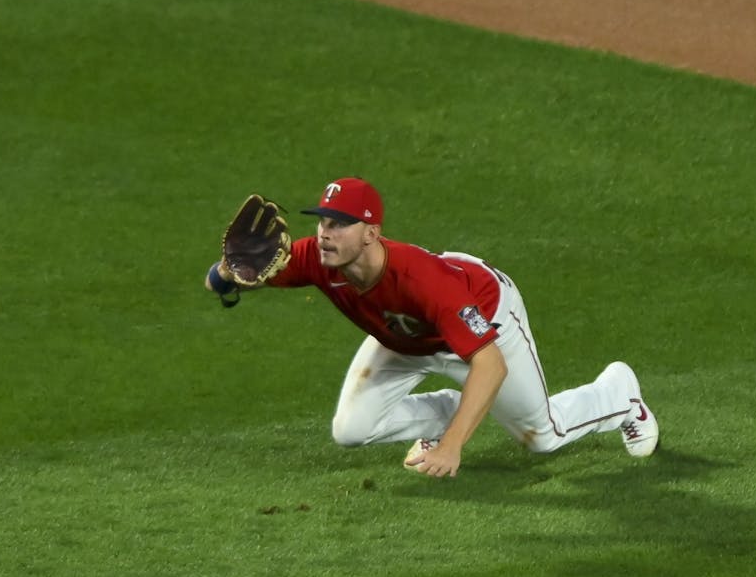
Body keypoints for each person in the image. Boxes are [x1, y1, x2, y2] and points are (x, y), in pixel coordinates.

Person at [203, 177, 659, 478]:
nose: (325, 233)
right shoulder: (320, 260)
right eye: (323, 221)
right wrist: (225, 274)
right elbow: (244, 274)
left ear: (370, 232)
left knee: (542, 437)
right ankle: (449, 413)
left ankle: (619, 396)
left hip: (484, 316)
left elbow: (490, 363)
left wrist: (453, 448)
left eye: (339, 225)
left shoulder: (424, 282)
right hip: (403, 339)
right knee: (351, 430)